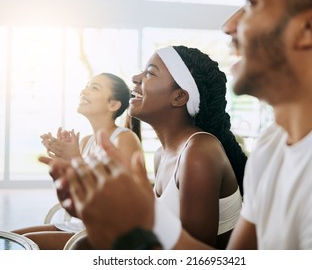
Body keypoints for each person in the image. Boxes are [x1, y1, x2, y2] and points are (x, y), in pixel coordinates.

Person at [43, 0, 312, 250]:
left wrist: (138, 221)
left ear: (310, 27)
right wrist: (110, 211)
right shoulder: (272, 145)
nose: (229, 25)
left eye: (252, 2)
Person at [41, 45, 247, 250]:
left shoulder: (199, 151)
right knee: (80, 245)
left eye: (150, 72)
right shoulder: (162, 155)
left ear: (179, 97)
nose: (135, 78)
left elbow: (193, 258)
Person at [13, 72, 142, 250]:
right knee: (12, 237)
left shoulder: (125, 138)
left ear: (113, 104)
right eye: (87, 85)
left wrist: (76, 159)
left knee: (24, 244)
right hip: (80, 224)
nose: (84, 90)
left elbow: (122, 205)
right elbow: (77, 197)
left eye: (94, 87)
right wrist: (62, 164)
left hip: (109, 233)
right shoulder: (85, 141)